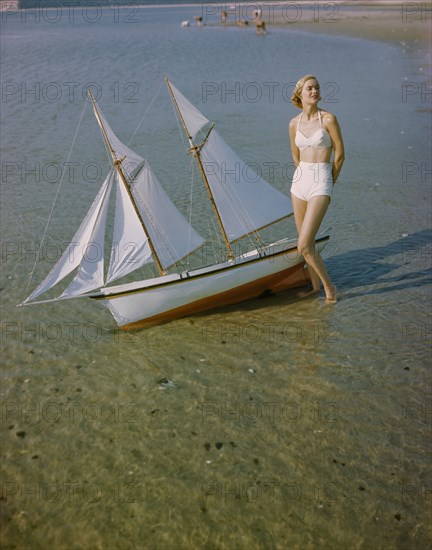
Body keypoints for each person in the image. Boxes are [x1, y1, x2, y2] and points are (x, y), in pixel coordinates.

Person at [289, 74, 345, 303]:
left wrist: (329, 182)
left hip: (322, 180)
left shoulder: (329, 119)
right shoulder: (294, 124)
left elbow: (340, 156)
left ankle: (329, 288)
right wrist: (303, 177)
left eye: (317, 88)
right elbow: (295, 157)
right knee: (306, 244)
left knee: (303, 244)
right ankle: (314, 287)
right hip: (299, 182)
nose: (315, 91)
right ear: (300, 94)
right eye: (310, 88)